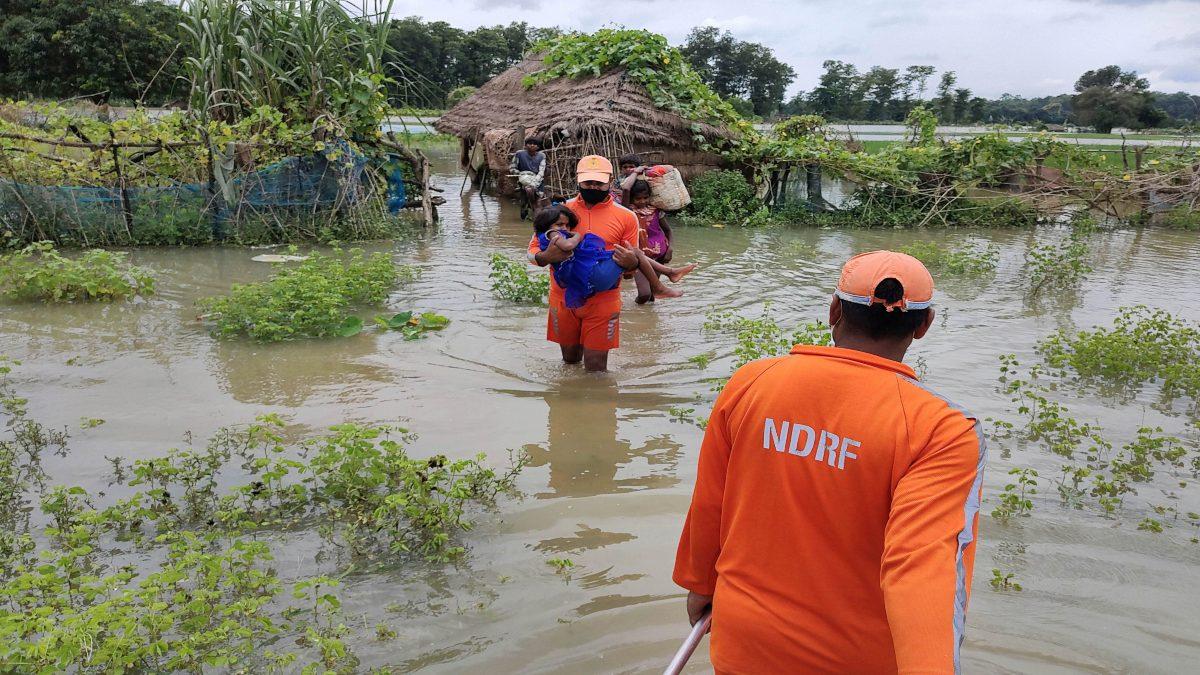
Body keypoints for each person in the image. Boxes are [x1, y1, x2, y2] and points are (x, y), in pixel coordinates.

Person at [673, 250, 986, 673]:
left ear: (833, 310)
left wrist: (700, 585)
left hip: (745, 641)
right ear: (924, 325)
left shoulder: (752, 382)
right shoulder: (941, 429)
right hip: (857, 659)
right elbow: (922, 570)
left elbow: (711, 501)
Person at [527, 155, 639, 372]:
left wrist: (632, 263)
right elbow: (531, 252)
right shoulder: (559, 212)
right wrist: (544, 258)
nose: (594, 187)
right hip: (562, 297)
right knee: (569, 360)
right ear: (578, 180)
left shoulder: (627, 217)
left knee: (596, 368)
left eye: (599, 182)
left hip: (603, 300)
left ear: (610, 180)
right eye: (588, 182)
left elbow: (631, 266)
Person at [533, 205, 693, 309]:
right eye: (560, 225)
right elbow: (568, 246)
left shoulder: (550, 233)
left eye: (567, 225)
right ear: (547, 225)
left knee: (633, 252)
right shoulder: (553, 234)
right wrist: (576, 235)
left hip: (580, 274)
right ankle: (661, 284)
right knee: (634, 252)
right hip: (588, 274)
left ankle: (668, 273)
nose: (565, 228)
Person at [627, 179, 676, 304]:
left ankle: (649, 319)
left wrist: (670, 249)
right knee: (644, 294)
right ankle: (635, 312)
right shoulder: (628, 212)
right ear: (632, 198)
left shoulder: (656, 211)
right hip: (639, 257)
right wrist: (636, 171)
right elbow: (626, 189)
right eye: (638, 198)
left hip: (659, 254)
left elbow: (668, 230)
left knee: (652, 294)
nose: (642, 201)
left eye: (645, 197)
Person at [510, 137, 546, 219]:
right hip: (523, 179)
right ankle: (524, 211)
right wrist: (521, 174)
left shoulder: (542, 156)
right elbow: (512, 167)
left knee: (539, 199)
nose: (532, 145)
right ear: (526, 145)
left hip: (537, 179)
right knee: (523, 201)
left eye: (534, 144)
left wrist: (535, 181)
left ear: (538, 147)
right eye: (530, 143)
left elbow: (542, 170)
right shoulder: (519, 154)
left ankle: (538, 217)